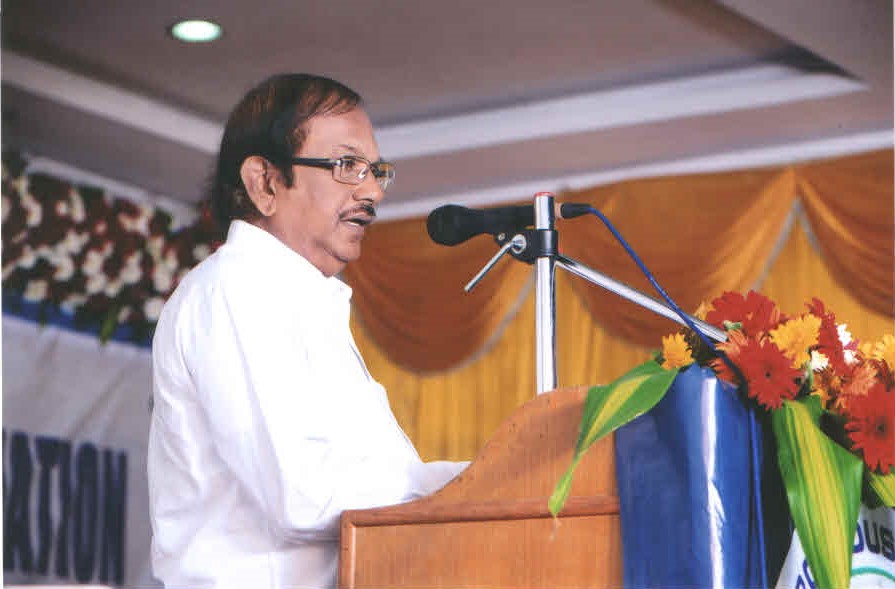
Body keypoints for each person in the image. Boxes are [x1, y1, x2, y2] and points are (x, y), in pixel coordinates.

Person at [148, 74, 466, 588]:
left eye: (376, 171)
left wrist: (467, 485)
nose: (372, 191)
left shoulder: (304, 303)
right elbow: (303, 497)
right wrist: (464, 485)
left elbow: (376, 479)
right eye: (346, 166)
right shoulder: (235, 290)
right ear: (265, 183)